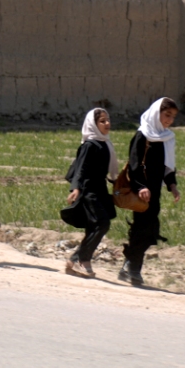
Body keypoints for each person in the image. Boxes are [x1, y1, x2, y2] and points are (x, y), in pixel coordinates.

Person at [118, 97, 181, 286]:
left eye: (173, 116)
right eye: (166, 114)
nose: (169, 120)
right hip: (141, 191)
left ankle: (129, 264)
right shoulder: (142, 135)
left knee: (151, 231)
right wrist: (140, 187)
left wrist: (172, 185)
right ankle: (133, 269)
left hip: (155, 191)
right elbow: (134, 165)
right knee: (141, 229)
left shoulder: (166, 138)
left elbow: (167, 166)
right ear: (157, 113)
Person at [63, 108, 118, 277]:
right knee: (102, 223)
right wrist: (76, 188)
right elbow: (81, 168)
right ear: (93, 124)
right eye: (102, 121)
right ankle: (81, 259)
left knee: (95, 226)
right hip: (88, 190)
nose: (107, 123)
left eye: (108, 120)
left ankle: (76, 261)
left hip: (100, 189)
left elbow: (110, 171)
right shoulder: (89, 145)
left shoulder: (105, 144)